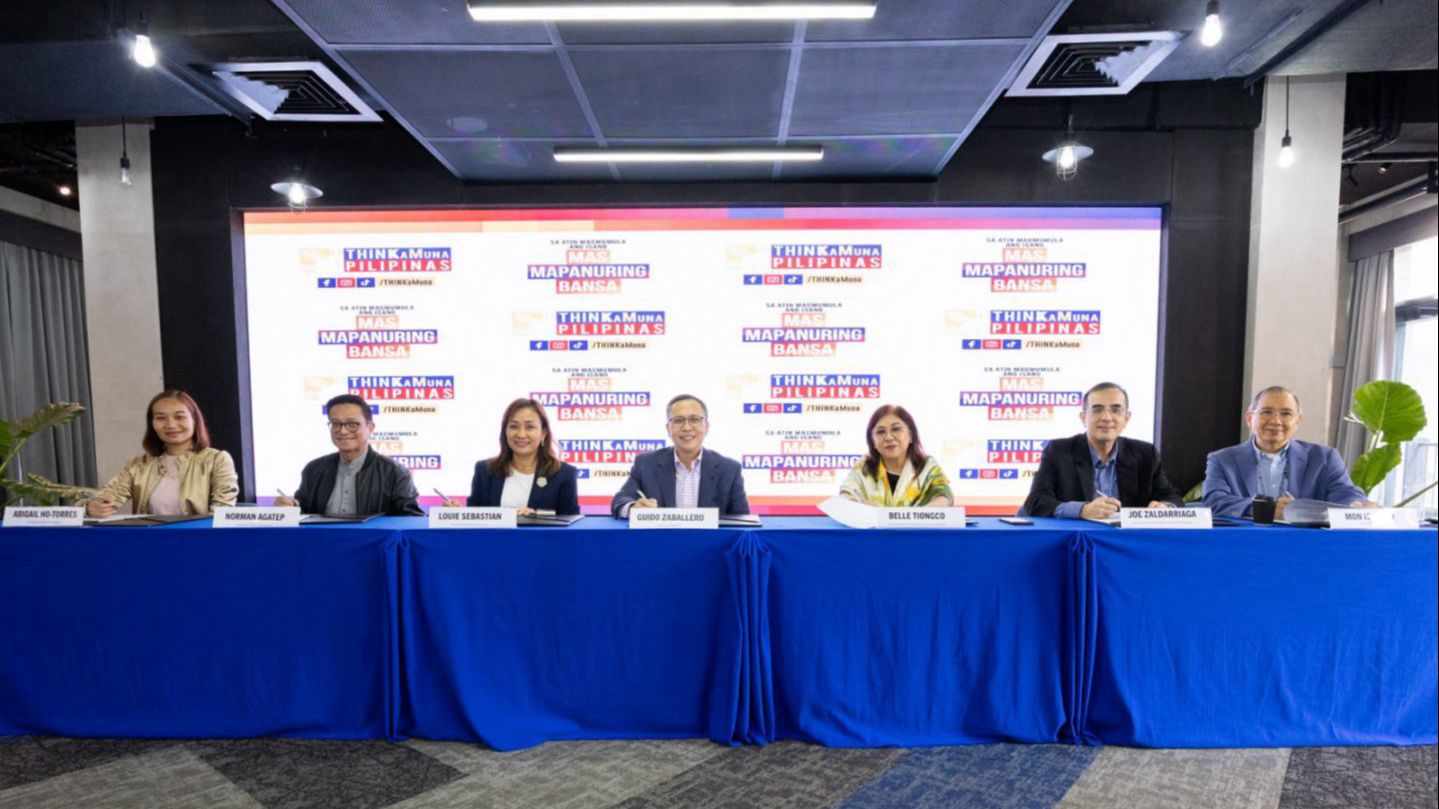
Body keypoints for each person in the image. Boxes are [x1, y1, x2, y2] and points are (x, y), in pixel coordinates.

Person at [1019, 381, 1182, 518]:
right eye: (1097, 410)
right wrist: (1082, 510)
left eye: (1116, 410)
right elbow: (1036, 501)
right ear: (1084, 418)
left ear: (1127, 418)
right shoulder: (1058, 451)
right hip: (1077, 539)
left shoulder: (1145, 454)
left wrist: (1166, 506)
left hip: (1128, 540)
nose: (1106, 418)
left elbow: (1171, 497)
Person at [1203, 386, 1370, 519]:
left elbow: (1345, 492)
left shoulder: (1324, 458)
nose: (1276, 421)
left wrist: (1356, 504)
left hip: (1305, 542)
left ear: (1297, 421)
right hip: (1246, 540)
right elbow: (1214, 501)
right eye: (1266, 412)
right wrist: (1266, 510)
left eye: (1286, 414)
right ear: (1249, 419)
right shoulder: (1223, 459)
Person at [86, 390, 238, 517]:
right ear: (152, 424)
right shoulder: (138, 465)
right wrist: (92, 507)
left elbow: (222, 513)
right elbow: (107, 497)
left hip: (198, 540)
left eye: (179, 417)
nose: (171, 425)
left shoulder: (217, 460)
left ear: (194, 420)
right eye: (160, 418)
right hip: (151, 541)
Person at [275, 394, 422, 516]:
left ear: (370, 428)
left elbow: (411, 520)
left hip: (372, 543)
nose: (343, 431)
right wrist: (288, 510)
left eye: (352, 424)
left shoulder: (395, 472)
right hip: (321, 541)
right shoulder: (314, 469)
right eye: (336, 424)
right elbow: (302, 513)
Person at [611, 394, 749, 517]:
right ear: (668, 428)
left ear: (706, 426)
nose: (687, 427)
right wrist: (632, 508)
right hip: (663, 538)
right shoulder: (646, 464)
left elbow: (743, 522)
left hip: (710, 539)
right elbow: (620, 500)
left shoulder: (729, 469)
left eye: (694, 419)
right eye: (678, 420)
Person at [460, 398, 579, 514]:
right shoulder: (484, 470)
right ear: (505, 431)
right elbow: (474, 517)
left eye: (529, 427)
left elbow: (571, 520)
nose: (521, 434)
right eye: (514, 426)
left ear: (543, 433)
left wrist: (536, 516)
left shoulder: (564, 474)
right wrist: (456, 512)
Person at [839, 404, 953, 506]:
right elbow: (845, 494)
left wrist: (919, 516)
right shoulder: (864, 467)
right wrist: (860, 508)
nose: (889, 437)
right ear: (872, 441)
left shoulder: (926, 466)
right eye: (881, 432)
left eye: (896, 429)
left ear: (911, 435)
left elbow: (945, 496)